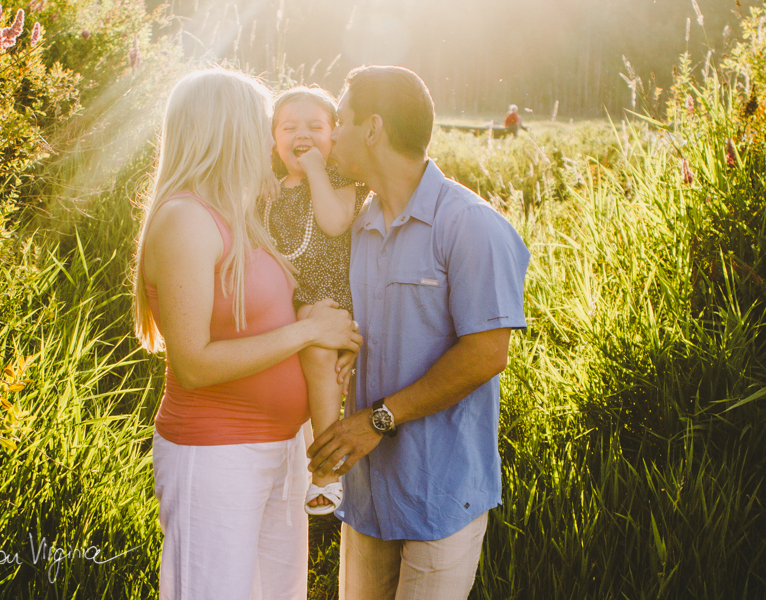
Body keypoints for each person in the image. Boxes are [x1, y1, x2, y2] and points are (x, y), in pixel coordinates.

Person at [133, 67, 362, 600]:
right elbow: (192, 362)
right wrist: (307, 333)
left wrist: (335, 348)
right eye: (263, 123)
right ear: (226, 128)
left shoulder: (244, 211)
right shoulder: (187, 217)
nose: (270, 137)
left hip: (281, 449)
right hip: (218, 453)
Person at [307, 66, 530, 599]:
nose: (331, 133)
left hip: (441, 492)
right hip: (368, 492)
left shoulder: (471, 225)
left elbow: (486, 354)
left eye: (340, 119)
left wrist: (377, 420)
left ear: (373, 128)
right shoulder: (358, 227)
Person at [261, 86, 370, 515]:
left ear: (334, 135)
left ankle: (327, 467)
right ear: (274, 139)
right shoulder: (268, 189)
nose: (301, 133)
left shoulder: (341, 184)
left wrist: (315, 171)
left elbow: (332, 221)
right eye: (289, 127)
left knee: (322, 354)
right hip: (284, 303)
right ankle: (290, 459)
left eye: (315, 126)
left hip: (327, 299)